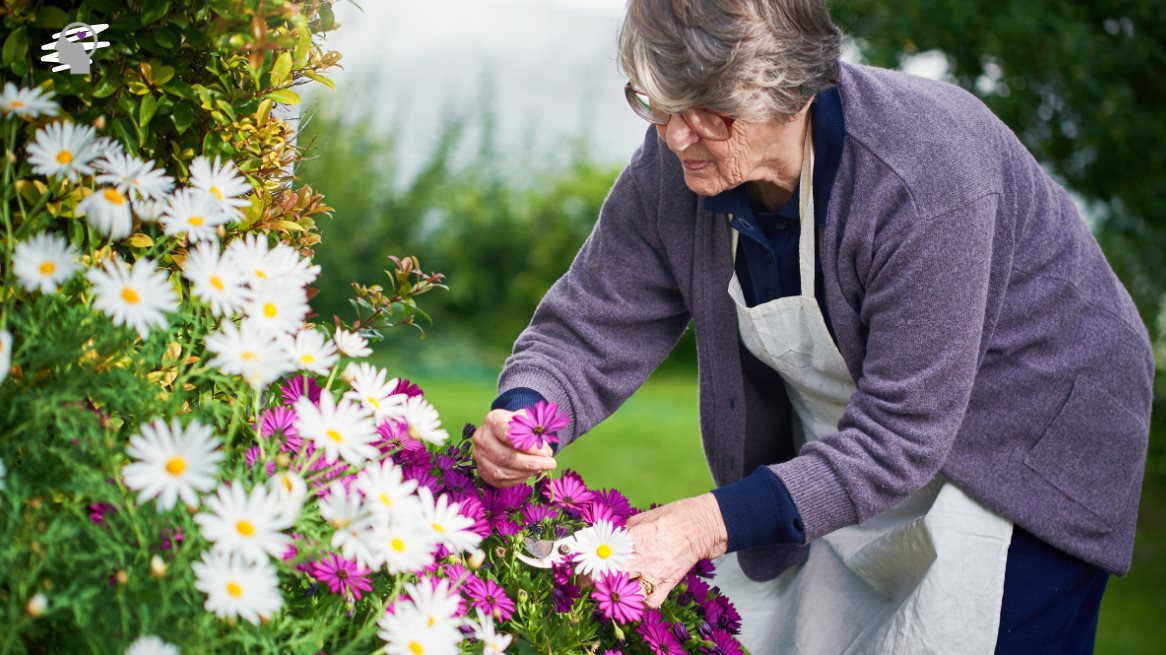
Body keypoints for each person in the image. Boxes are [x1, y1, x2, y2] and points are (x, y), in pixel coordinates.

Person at [471, 1, 1154, 652]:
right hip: (875, 439)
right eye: (657, 101)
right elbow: (590, 322)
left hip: (1031, 440)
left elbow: (898, 435)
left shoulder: (924, 175)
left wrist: (705, 523)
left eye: (710, 111)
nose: (676, 134)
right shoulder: (677, 167)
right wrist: (524, 412)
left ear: (793, 92)